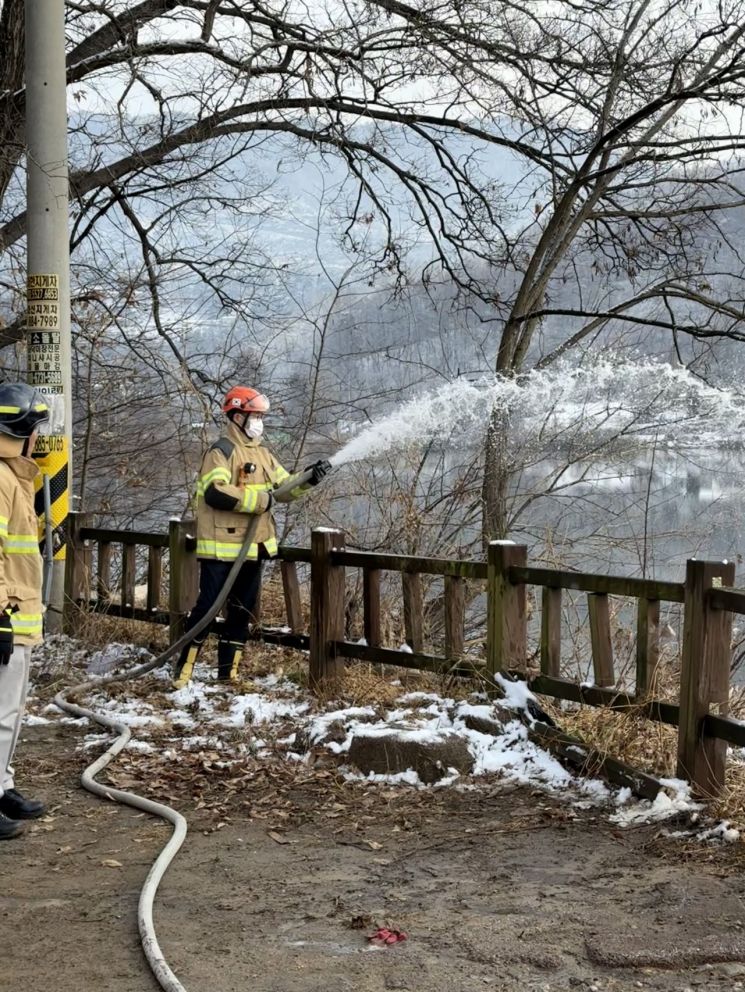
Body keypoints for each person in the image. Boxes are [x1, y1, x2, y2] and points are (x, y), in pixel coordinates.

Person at [172, 386, 330, 689]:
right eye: (254, 415)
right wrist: (260, 501)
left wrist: (310, 478)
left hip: (253, 546)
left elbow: (283, 489)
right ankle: (183, 671)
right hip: (221, 548)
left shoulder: (263, 454)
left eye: (260, 416)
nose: (259, 421)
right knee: (207, 608)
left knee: (241, 612)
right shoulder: (221, 451)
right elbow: (215, 492)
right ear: (237, 415)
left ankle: (227, 675)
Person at [0, 382, 50, 840]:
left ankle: (2, 785)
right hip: (6, 615)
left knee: (10, 712)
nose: (38, 437)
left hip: (19, 614)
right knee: (0, 712)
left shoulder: (13, 476)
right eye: (35, 428)